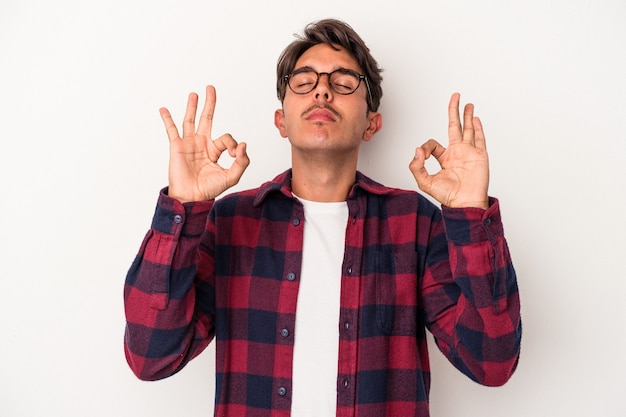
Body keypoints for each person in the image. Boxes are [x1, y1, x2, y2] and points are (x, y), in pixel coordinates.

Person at [124, 18, 521, 417]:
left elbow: (492, 362)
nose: (323, 90)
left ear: (371, 123)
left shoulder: (416, 223)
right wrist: (183, 207)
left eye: (344, 81)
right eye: (304, 80)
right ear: (281, 120)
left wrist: (471, 214)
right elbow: (150, 355)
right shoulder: (230, 222)